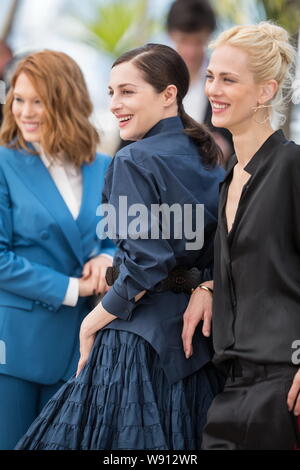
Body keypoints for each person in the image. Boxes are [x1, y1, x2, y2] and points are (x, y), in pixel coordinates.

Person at [16, 43, 225, 451]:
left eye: (127, 91)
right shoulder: (210, 159)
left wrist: (91, 322)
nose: (114, 103)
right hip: (196, 346)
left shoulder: (132, 160)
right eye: (111, 92)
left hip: (137, 343)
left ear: (169, 94)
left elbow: (147, 261)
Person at [182, 21, 300, 450]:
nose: (213, 89)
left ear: (266, 91)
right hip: (230, 386)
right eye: (211, 76)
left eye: (229, 80)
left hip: (284, 386)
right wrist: (209, 285)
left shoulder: (292, 167)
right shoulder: (229, 179)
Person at [0, 50, 115, 450]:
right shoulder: (3, 163)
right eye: (18, 99)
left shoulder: (103, 166)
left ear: (65, 101)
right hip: (14, 346)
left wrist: (107, 257)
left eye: (38, 100)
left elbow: (118, 236)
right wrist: (73, 288)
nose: (24, 112)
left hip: (82, 347)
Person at [166, 0, 233, 161]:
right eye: (183, 40)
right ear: (170, 35)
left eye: (198, 41)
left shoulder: (226, 82)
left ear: (209, 36)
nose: (191, 51)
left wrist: (226, 148)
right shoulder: (154, 80)